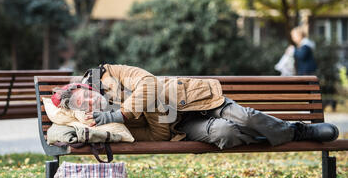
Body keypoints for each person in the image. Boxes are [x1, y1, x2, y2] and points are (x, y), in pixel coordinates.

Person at [50, 64, 338, 149]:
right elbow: (158, 136)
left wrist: (120, 112)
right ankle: (277, 135)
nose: (87, 101)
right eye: (80, 105)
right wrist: (150, 110)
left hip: (197, 98)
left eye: (83, 95)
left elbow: (148, 82)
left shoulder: (111, 73)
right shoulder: (110, 126)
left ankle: (298, 131)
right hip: (183, 126)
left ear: (86, 87)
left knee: (245, 116)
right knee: (226, 134)